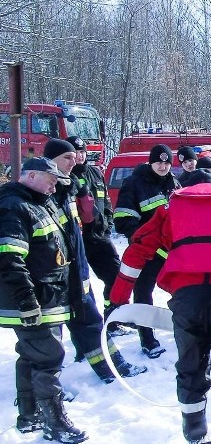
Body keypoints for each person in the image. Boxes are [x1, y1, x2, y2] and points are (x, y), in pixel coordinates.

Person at [109, 169, 211, 444]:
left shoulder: (169, 211)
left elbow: (137, 249)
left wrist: (119, 297)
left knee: (191, 369)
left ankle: (195, 438)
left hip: (186, 299)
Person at [0, 157, 87, 443]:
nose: (54, 187)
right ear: (32, 176)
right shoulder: (14, 207)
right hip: (30, 300)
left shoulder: (38, 202)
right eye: (51, 181)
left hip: (46, 296)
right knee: (49, 357)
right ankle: (55, 423)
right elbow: (10, 258)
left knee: (31, 356)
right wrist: (27, 301)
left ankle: (29, 416)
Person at [45, 138, 145, 383]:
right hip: (56, 270)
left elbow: (99, 207)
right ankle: (45, 393)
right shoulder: (50, 189)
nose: (76, 159)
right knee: (49, 337)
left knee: (92, 313)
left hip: (85, 249)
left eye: (78, 153)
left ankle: (110, 365)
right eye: (68, 156)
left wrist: (106, 225)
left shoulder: (80, 180)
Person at [113, 143, 180, 357]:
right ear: (151, 162)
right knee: (143, 293)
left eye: (166, 162)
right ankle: (147, 339)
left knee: (180, 290)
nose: (162, 166)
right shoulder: (134, 183)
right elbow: (123, 219)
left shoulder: (174, 184)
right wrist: (144, 239)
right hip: (147, 251)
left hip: (171, 250)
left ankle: (183, 330)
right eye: (158, 162)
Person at [67, 136, 127, 332]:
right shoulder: (65, 177)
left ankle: (113, 319)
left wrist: (108, 224)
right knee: (81, 287)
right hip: (78, 241)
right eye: (76, 153)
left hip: (99, 237)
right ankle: (86, 331)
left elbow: (107, 201)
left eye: (83, 152)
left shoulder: (95, 172)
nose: (80, 156)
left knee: (116, 277)